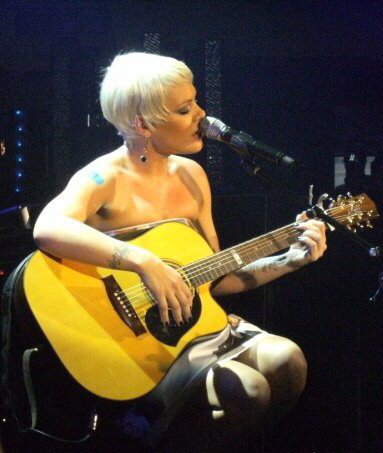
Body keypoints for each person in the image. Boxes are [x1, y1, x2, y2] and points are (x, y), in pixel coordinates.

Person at [32, 52, 327, 448]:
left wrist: (289, 260)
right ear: (142, 123)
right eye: (185, 109)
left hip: (195, 330)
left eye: (196, 102)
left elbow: (216, 279)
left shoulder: (192, 176)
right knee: (248, 389)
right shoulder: (102, 176)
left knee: (287, 362)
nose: (202, 116)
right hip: (135, 345)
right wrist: (143, 262)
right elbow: (48, 227)